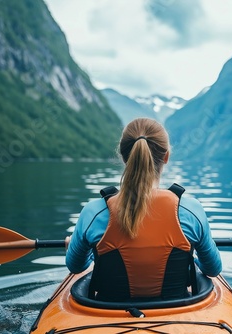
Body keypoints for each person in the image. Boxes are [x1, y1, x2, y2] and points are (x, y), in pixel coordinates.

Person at [66, 117, 222, 301]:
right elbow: (213, 269)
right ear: (166, 156)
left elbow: (75, 266)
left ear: (124, 157)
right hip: (178, 312)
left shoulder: (93, 212)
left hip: (107, 313)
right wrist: (191, 257)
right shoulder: (191, 210)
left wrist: (82, 251)